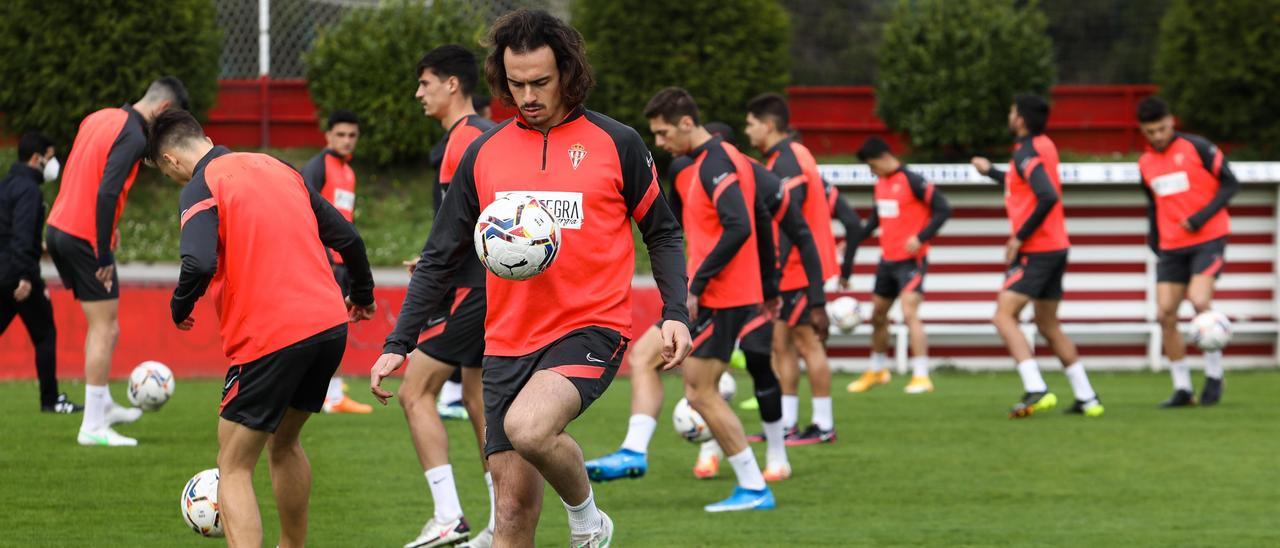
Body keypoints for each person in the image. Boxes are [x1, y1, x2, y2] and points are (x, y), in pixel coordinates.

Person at [370, 10, 692, 546]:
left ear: (567, 72)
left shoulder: (618, 143)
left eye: (540, 82)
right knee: (512, 508)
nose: (527, 95)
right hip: (507, 341)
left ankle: (588, 519)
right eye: (515, 84)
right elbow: (440, 254)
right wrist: (398, 341)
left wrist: (675, 313)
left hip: (590, 327)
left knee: (530, 427)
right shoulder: (485, 152)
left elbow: (663, 233)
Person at [151, 109, 376, 548]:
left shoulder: (202, 184)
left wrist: (180, 305)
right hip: (328, 326)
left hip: (271, 336)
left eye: (165, 172)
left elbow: (198, 261)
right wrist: (364, 295)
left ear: (171, 160)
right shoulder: (277, 166)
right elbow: (348, 238)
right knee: (285, 442)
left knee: (233, 463)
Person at [586, 119, 824, 482]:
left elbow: (777, 231)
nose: (664, 143)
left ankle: (775, 457)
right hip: (707, 293)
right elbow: (677, 231)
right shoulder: (684, 170)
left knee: (752, 365)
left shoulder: (755, 178)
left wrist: (777, 290)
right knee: (697, 377)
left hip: (748, 293)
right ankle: (699, 451)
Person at [640, 87, 777, 510]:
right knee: (653, 362)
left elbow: (740, 226)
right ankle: (634, 448)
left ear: (686, 122)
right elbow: (761, 215)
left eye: (663, 133)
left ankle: (754, 487)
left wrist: (697, 286)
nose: (660, 144)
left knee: (700, 393)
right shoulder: (703, 163)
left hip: (722, 296)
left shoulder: (719, 161)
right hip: (722, 294)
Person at [46, 76, 187, 446]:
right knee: (104, 329)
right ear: (164, 110)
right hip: (84, 239)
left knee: (106, 325)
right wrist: (103, 248)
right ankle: (92, 426)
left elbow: (83, 176)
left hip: (60, 229)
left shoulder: (99, 117)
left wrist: (107, 230)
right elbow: (107, 189)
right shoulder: (135, 135)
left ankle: (103, 405)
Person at [398, 44, 498, 548]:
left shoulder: (468, 139)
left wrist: (442, 270)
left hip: (475, 292)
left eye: (425, 83)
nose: (419, 93)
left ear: (452, 85)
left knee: (414, 391)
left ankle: (448, 516)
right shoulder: (478, 136)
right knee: (480, 401)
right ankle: (502, 522)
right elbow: (471, 224)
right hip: (482, 285)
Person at [971, 94, 1104, 418]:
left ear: (1020, 120)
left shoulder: (1027, 151)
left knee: (1004, 316)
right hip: (1057, 246)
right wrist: (991, 172)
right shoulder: (1043, 145)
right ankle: (1088, 398)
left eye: (1012, 111)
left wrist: (1020, 236)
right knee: (1047, 323)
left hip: (1038, 249)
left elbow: (1046, 195)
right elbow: (1025, 185)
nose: (1009, 115)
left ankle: (1036, 387)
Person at [743, 93, 847, 442]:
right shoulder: (787, 156)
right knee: (782, 344)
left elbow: (793, 222)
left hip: (798, 270)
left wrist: (775, 266)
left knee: (807, 344)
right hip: (791, 270)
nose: (747, 131)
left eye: (751, 123)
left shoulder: (787, 160)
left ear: (768, 125)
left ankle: (823, 425)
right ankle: (786, 424)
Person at [1135, 96, 1239, 407]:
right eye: (1151, 132)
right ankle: (1182, 388)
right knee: (1165, 313)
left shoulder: (1198, 147)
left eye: (1162, 129)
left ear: (1172, 121)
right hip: (1171, 246)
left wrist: (1200, 218)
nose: (1158, 136)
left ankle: (1214, 375)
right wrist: (1154, 239)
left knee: (1199, 301)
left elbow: (1231, 184)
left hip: (1209, 237)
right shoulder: (1145, 163)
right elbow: (1154, 205)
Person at [851, 137, 951, 394]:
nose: (871, 171)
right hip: (887, 260)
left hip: (911, 261)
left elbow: (943, 208)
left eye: (872, 165)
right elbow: (875, 219)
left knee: (909, 314)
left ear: (884, 157)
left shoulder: (913, 180)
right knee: (877, 316)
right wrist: (854, 240)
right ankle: (877, 370)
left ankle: (921, 376)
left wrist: (921, 237)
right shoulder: (880, 184)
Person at [0, 133, 80, 413]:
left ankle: (51, 400)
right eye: (50, 155)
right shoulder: (29, 190)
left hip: (4, 270)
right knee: (45, 333)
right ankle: (50, 400)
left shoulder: (7, 184)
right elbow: (21, 234)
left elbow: (8, 232)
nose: (52, 162)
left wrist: (37, 246)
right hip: (19, 276)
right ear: (37, 158)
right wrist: (24, 275)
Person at [301, 109, 373, 415]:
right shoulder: (318, 167)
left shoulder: (348, 172)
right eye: (340, 135)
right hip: (324, 262)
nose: (346, 141)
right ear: (328, 135)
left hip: (342, 263)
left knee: (335, 327)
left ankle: (330, 391)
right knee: (325, 328)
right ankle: (329, 395)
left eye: (352, 135)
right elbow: (301, 209)